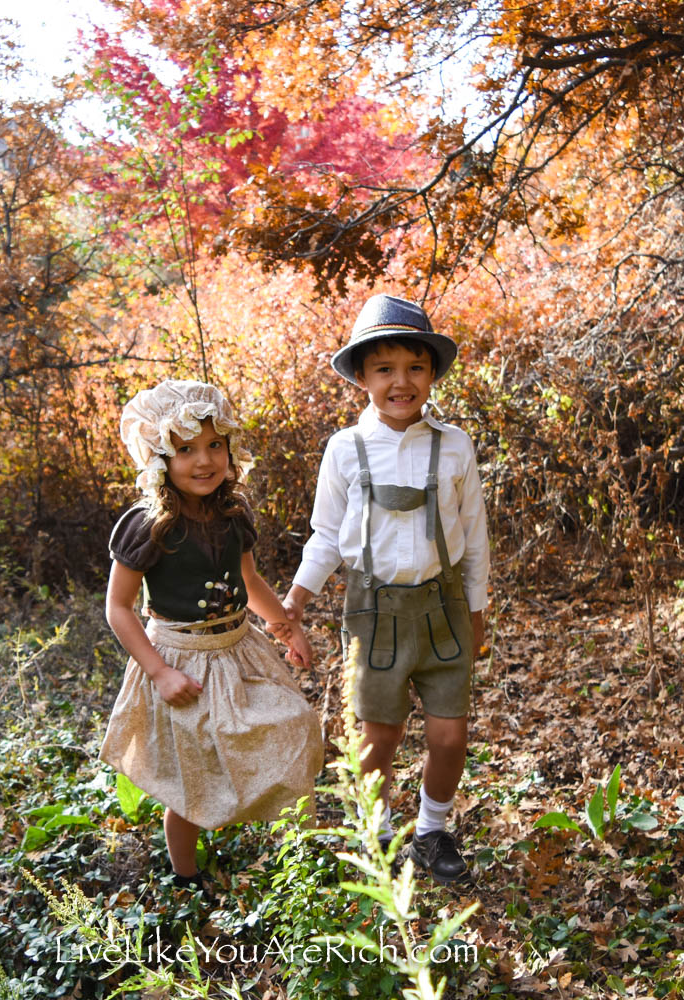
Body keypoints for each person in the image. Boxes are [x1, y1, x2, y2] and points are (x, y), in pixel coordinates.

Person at [282, 293, 489, 885]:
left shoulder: (453, 445)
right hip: (373, 609)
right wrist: (297, 596)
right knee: (380, 735)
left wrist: (477, 609)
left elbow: (474, 534)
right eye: (385, 369)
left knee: (450, 735)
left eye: (415, 368)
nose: (402, 382)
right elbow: (325, 535)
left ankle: (430, 831)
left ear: (431, 373)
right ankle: (375, 832)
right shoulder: (345, 449)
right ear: (362, 378)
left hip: (444, 605)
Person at [100, 379, 324, 892]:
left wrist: (285, 626)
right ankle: (185, 877)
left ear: (230, 448)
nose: (203, 461)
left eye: (214, 446)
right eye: (185, 450)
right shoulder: (148, 525)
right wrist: (158, 672)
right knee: (193, 777)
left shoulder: (232, 513)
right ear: (160, 457)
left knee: (293, 722)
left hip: (238, 649)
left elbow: (249, 581)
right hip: (183, 659)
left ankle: (287, 847)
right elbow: (118, 608)